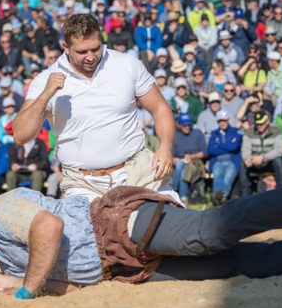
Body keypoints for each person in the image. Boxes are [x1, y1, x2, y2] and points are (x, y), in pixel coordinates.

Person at [0, 170, 282, 298]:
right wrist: (11, 278)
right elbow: (72, 281)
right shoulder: (6, 257)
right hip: (120, 267)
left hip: (116, 225)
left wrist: (24, 290)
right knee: (235, 264)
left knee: (209, 232)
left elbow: (50, 225)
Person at [13, 14, 177, 202]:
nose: (91, 57)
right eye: (82, 52)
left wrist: (165, 147)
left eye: (95, 49)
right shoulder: (45, 80)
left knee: (171, 223)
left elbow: (160, 108)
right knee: (84, 230)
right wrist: (45, 95)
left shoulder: (126, 64)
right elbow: (20, 135)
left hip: (137, 171)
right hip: (83, 183)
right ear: (65, 47)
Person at [240, 111, 282, 196]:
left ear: (267, 121)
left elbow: (279, 150)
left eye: (262, 123)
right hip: (254, 162)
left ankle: (281, 190)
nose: (259, 126)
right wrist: (248, 159)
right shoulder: (249, 132)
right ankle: (245, 194)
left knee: (278, 160)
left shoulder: (276, 130)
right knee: (243, 162)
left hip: (269, 162)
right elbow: (245, 149)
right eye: (258, 124)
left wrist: (263, 157)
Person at [207, 110, 242, 204]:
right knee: (217, 177)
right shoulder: (214, 133)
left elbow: (234, 146)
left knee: (227, 178)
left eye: (224, 120)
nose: (222, 123)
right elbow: (210, 150)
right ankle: (219, 198)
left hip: (232, 161)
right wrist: (228, 146)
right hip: (217, 161)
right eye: (220, 121)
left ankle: (221, 199)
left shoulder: (236, 131)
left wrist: (219, 145)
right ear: (218, 122)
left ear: (228, 120)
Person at [172, 113, 207, 204]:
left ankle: (174, 190)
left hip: (195, 161)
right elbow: (171, 153)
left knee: (183, 168)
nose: (187, 127)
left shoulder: (197, 133)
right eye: (184, 125)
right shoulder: (175, 135)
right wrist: (173, 159)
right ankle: (183, 198)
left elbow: (205, 152)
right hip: (180, 160)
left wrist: (192, 156)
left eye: (188, 124)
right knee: (181, 165)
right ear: (179, 125)